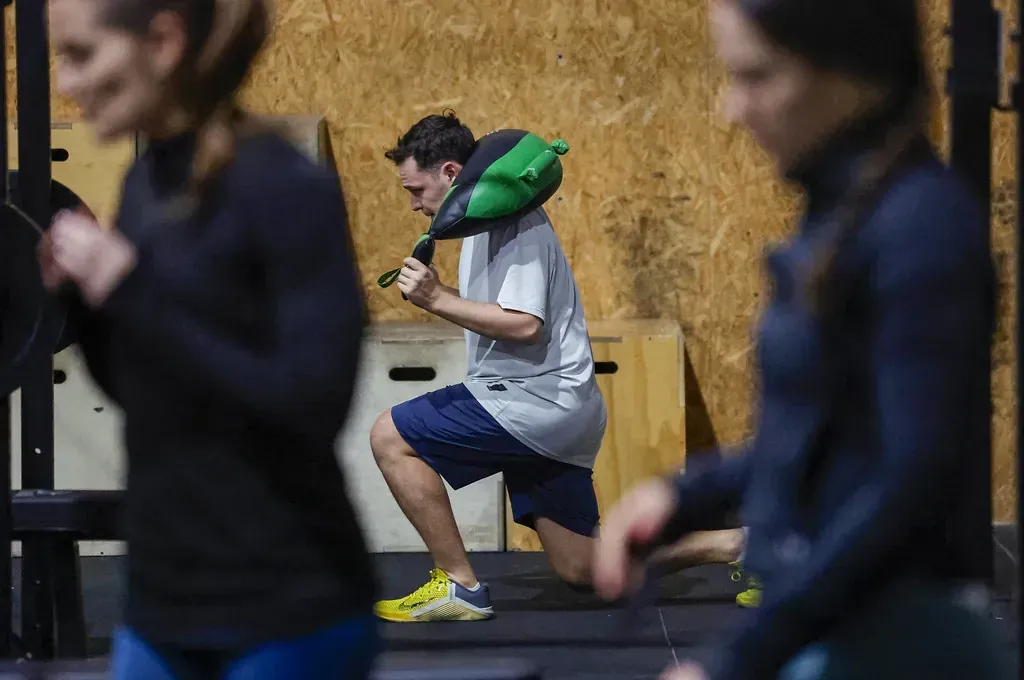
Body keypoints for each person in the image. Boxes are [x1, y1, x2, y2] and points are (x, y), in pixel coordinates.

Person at [593, 1, 1016, 679]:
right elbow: (830, 440)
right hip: (842, 629)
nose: (733, 108)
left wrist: (740, 661)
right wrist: (684, 493)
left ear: (848, 75)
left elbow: (907, 482)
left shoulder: (920, 227)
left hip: (896, 645)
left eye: (758, 77)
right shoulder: (846, 215)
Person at [44, 0, 380, 678]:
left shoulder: (283, 188)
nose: (66, 83)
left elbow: (311, 407)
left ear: (163, 43)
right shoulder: (146, 183)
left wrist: (132, 291)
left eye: (82, 55)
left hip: (284, 612)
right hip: (161, 605)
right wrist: (86, 305)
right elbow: (157, 389)